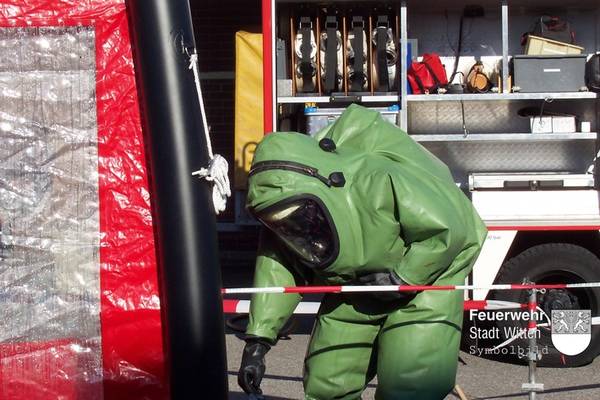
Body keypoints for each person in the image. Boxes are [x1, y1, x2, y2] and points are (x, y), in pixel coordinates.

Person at [238, 104, 487, 400]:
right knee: (328, 381)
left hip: (425, 280)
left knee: (410, 386)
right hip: (356, 283)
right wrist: (258, 342)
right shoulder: (281, 212)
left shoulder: (378, 178)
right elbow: (277, 269)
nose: (295, 226)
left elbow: (448, 229)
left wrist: (402, 278)